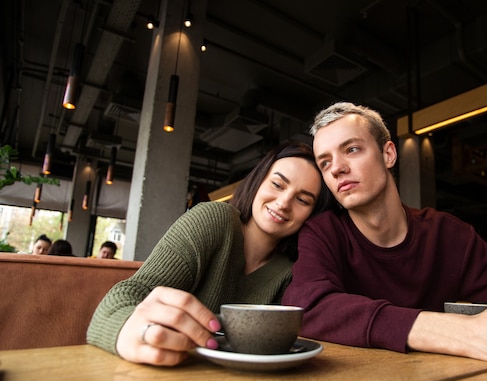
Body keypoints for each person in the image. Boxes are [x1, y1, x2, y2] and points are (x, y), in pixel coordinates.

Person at [282, 102, 487, 372]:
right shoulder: (323, 231)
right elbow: (306, 308)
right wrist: (468, 334)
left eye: (351, 150)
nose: (336, 168)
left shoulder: (448, 234)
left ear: (388, 154)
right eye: (325, 163)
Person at [87, 142, 333, 366]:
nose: (283, 202)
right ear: (258, 181)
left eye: (302, 199)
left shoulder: (292, 270)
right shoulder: (213, 220)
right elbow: (126, 296)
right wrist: (127, 330)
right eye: (277, 184)